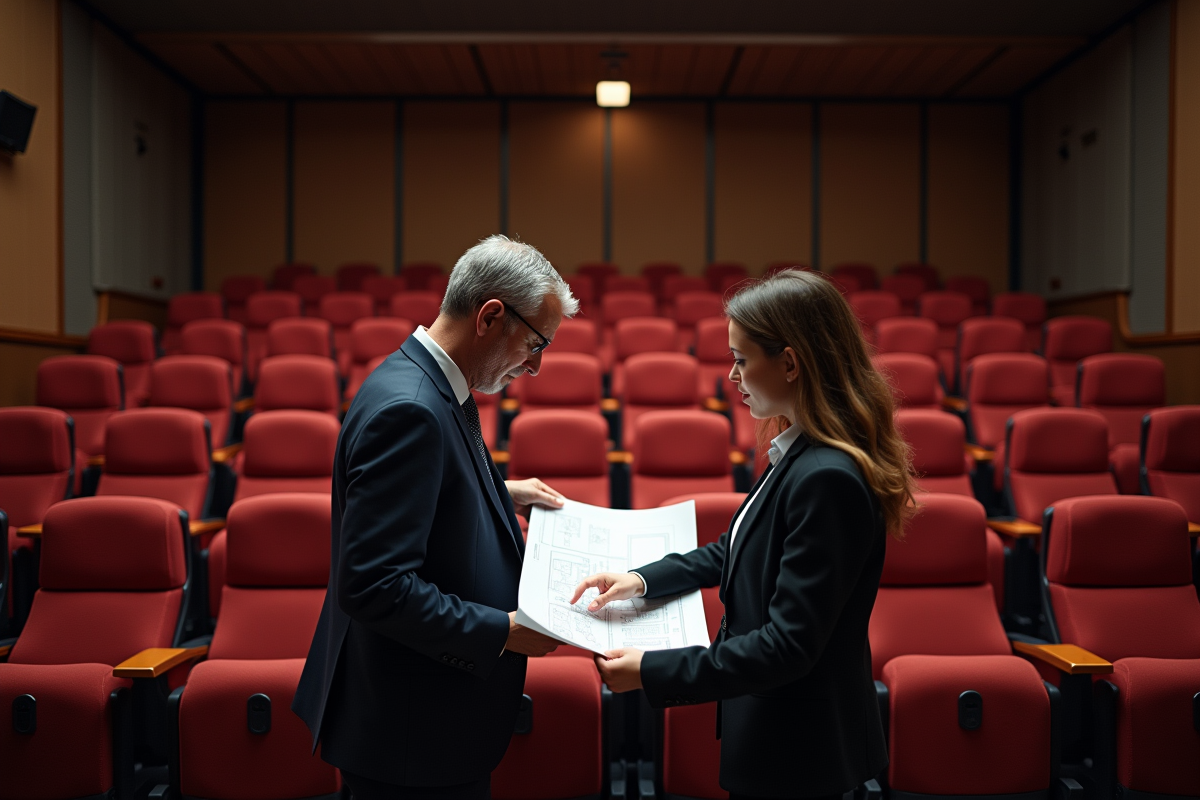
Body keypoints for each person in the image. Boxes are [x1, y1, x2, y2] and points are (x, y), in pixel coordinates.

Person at [571, 269, 914, 800]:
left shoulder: (826, 476)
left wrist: (654, 671)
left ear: (792, 362)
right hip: (780, 733)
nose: (731, 375)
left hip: (800, 749)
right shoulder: (798, 449)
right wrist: (641, 580)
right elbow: (736, 549)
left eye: (741, 358)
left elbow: (787, 647)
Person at [294, 235, 577, 800]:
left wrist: (494, 490)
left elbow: (425, 489)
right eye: (535, 342)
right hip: (410, 732)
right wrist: (505, 633)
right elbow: (376, 586)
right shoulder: (411, 411)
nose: (537, 366)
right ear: (491, 316)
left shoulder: (419, 379)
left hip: (415, 719)